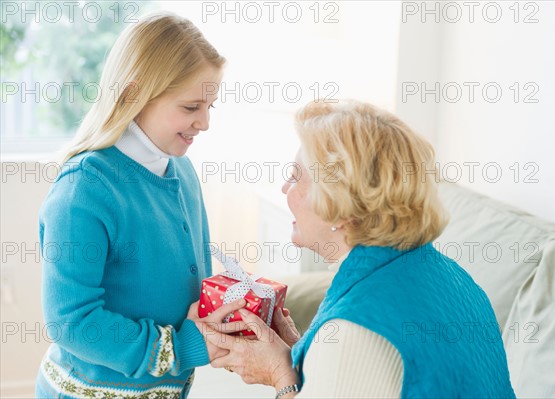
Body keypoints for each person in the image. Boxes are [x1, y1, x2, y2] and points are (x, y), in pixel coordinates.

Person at [201, 100, 516, 398]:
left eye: (297, 177)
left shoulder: (352, 333)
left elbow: (355, 351)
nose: (285, 188)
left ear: (341, 208)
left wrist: (280, 377)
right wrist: (305, 354)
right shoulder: (453, 277)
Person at [35, 11, 248, 398]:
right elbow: (72, 322)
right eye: (190, 107)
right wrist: (180, 348)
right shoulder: (84, 189)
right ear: (134, 94)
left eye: (210, 107)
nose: (205, 122)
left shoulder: (182, 171)